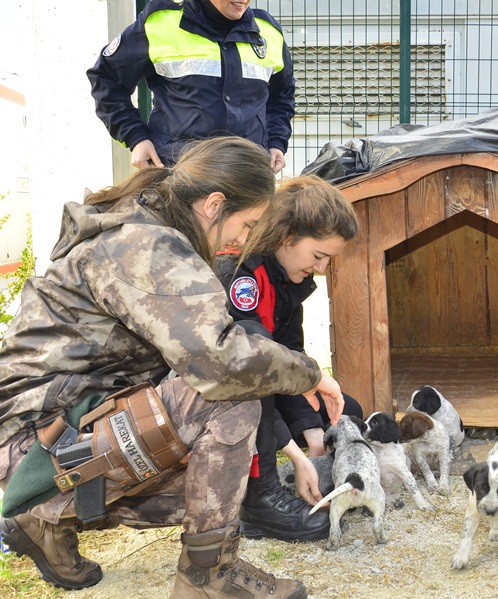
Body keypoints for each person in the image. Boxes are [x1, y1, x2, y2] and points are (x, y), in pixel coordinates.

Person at [0, 137, 338, 599]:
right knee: (232, 398)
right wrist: (312, 374)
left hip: (58, 430)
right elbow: (221, 361)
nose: (244, 239)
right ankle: (207, 581)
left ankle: (39, 522)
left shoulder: (148, 223)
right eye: (247, 223)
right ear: (214, 204)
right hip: (35, 446)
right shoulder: (145, 244)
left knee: (214, 484)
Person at [215, 175, 363, 542]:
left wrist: (312, 436)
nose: (321, 269)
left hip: (259, 385)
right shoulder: (240, 273)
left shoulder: (286, 278)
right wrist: (295, 455)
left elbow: (291, 356)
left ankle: (314, 472)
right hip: (222, 392)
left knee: (345, 415)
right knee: (257, 345)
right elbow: (254, 368)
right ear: (286, 237)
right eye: (318, 256)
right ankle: (259, 496)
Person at [87, 0, 295, 173]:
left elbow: (282, 95)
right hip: (178, 175)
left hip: (249, 175)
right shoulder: (161, 22)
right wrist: (136, 137)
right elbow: (106, 78)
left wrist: (276, 141)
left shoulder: (268, 32)